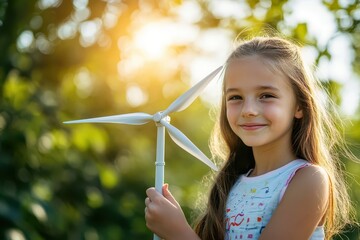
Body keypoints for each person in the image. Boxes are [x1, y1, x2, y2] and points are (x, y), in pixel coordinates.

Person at [144, 36, 355, 240]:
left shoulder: (308, 179)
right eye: (235, 97)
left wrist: (178, 233)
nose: (249, 110)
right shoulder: (232, 182)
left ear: (299, 105)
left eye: (266, 95)